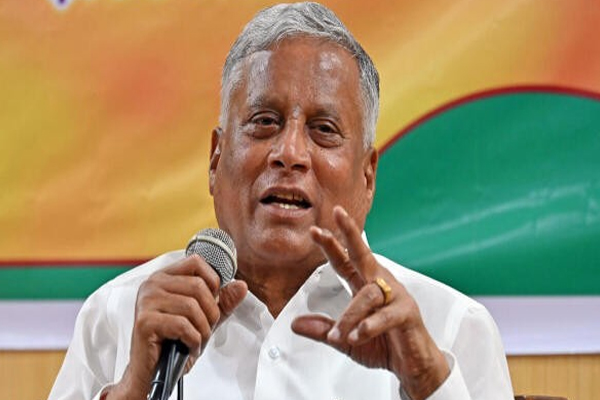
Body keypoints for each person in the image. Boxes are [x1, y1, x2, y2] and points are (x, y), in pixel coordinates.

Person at [49, 2, 514, 400]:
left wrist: (429, 382)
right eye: (264, 121)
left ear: (367, 177)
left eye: (323, 130)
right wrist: (134, 389)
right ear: (215, 159)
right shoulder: (117, 314)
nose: (289, 153)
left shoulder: (450, 328)